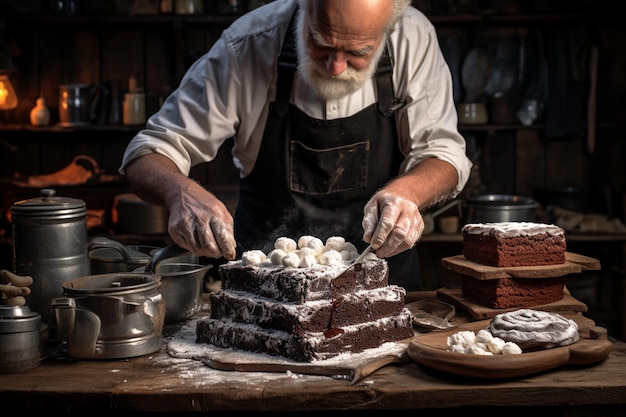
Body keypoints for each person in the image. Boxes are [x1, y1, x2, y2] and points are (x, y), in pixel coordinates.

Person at [119, 0, 472, 290]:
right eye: (320, 42)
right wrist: (180, 193)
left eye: (357, 52)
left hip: (382, 290)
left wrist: (408, 194)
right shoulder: (248, 45)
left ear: (389, 25)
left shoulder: (412, 38)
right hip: (265, 296)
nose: (335, 67)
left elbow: (444, 154)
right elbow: (148, 152)